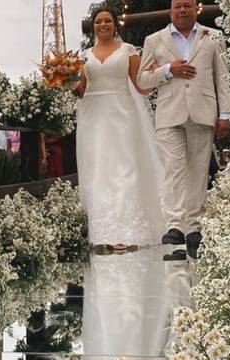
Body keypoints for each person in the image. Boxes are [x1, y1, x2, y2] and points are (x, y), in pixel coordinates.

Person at [138, 0, 230, 259]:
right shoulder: (154, 40)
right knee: (173, 169)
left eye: (187, 6)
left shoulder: (213, 36)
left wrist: (225, 114)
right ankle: (174, 225)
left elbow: (222, 77)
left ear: (195, 9)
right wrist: (169, 70)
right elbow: (142, 80)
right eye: (178, 6)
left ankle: (194, 227)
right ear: (171, 11)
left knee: (198, 170)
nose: (182, 10)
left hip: (203, 112)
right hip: (169, 114)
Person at [74, 7, 167, 253]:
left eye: (107, 21)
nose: (102, 25)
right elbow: (82, 88)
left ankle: (126, 230)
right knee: (98, 171)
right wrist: (64, 82)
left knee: (125, 169)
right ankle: (100, 231)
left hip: (122, 113)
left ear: (115, 25)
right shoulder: (85, 55)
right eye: (98, 22)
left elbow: (141, 86)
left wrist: (161, 74)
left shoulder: (128, 51)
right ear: (93, 27)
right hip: (93, 115)